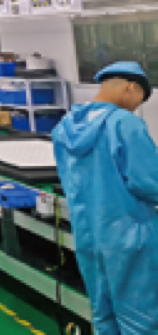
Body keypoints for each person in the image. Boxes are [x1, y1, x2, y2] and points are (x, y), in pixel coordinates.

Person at [53, 61, 158, 335]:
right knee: (140, 319)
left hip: (88, 234)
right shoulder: (125, 123)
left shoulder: (65, 126)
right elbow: (148, 181)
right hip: (129, 236)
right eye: (138, 101)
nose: (135, 108)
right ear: (130, 87)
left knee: (103, 313)